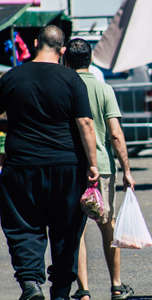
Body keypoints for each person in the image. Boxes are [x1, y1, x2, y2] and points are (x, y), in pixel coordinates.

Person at [0, 25, 99, 300]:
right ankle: (61, 291)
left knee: (23, 225)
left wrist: (13, 125)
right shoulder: (71, 79)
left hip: (21, 166)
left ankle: (31, 283)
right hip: (66, 166)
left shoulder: (11, 78)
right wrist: (92, 165)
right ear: (63, 50)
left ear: (35, 43)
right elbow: (85, 123)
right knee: (66, 228)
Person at [64, 38, 136, 300]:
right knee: (108, 226)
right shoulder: (105, 90)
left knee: (77, 231)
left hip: (72, 166)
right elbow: (115, 135)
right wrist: (127, 170)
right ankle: (116, 286)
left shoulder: (65, 88)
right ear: (91, 59)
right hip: (103, 168)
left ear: (66, 61)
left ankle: (83, 291)